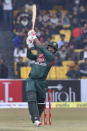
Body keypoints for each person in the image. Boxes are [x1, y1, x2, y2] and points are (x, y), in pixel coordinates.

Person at [26, 30, 58, 126]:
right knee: (31, 98)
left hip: (41, 82)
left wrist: (34, 37)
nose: (51, 49)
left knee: (41, 102)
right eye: (50, 47)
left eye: (53, 49)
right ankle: (35, 119)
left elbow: (41, 48)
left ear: (55, 51)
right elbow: (29, 56)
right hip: (31, 79)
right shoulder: (40, 55)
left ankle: (36, 116)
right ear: (48, 47)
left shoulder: (51, 58)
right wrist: (29, 46)